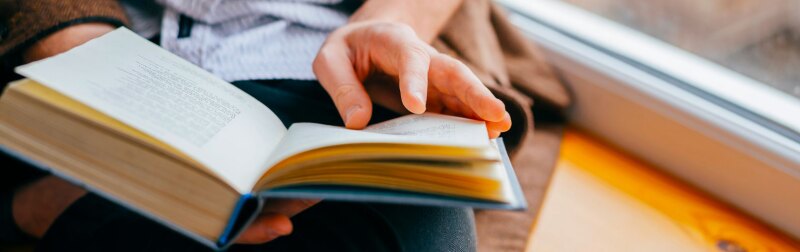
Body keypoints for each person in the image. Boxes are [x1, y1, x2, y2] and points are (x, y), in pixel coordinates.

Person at [0, 0, 515, 251]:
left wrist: (386, 22)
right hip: (120, 42)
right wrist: (80, 50)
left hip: (326, 60)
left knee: (425, 224)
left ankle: (58, 203)